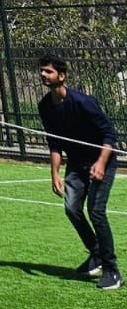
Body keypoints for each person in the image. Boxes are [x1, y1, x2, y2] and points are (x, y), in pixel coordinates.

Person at [37, 50, 120, 290]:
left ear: (61, 76)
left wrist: (101, 163)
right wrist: (54, 173)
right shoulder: (45, 106)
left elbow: (109, 134)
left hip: (101, 161)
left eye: (48, 71)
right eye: (42, 71)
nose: (43, 75)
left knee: (96, 211)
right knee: (72, 209)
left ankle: (112, 270)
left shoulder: (83, 102)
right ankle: (96, 254)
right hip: (76, 164)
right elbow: (54, 142)